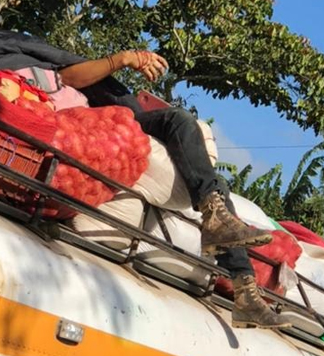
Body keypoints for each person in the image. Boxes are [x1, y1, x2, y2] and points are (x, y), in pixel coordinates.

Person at [55, 49, 291, 329]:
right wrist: (122, 59)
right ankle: (220, 232)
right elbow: (65, 76)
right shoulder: (47, 58)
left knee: (216, 186)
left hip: (129, 123)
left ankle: (245, 287)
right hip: (108, 125)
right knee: (178, 121)